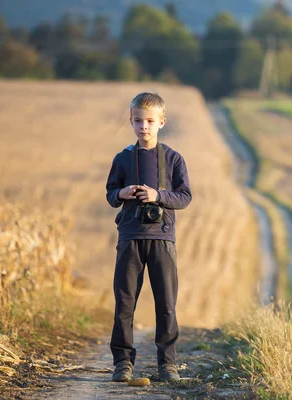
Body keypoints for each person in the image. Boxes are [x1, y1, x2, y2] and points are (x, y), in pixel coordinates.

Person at [105, 92, 192, 382]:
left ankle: (167, 365)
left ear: (162, 123)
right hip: (130, 236)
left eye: (150, 121)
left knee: (166, 303)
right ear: (130, 122)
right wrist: (122, 193)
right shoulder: (122, 159)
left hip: (163, 239)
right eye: (138, 121)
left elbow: (185, 197)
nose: (144, 126)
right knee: (124, 303)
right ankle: (123, 364)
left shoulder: (173, 159)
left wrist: (158, 196)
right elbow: (110, 194)